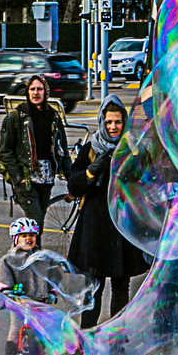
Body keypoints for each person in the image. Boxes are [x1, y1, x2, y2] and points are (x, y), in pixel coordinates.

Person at [66, 94, 150, 328]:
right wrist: (92, 172)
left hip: (122, 227)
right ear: (102, 122)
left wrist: (133, 164)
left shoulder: (134, 147)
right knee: (93, 289)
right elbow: (73, 185)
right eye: (109, 122)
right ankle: (88, 338)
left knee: (121, 287)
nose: (113, 127)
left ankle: (116, 339)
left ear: (124, 122)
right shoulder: (91, 149)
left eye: (118, 122)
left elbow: (146, 181)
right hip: (95, 228)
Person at [0, 74, 69, 244]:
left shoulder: (53, 116)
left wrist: (71, 178)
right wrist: (18, 178)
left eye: (40, 89)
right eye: (32, 89)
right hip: (26, 179)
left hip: (46, 178)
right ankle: (31, 257)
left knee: (38, 224)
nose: (36, 93)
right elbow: (5, 151)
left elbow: (62, 151)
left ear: (46, 92)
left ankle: (28, 256)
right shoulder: (16, 117)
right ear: (27, 92)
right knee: (35, 221)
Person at [0, 217, 61, 355]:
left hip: (39, 301)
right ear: (15, 239)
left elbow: (53, 278)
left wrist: (53, 292)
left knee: (41, 329)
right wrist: (5, 291)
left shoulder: (43, 258)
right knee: (16, 329)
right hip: (19, 302)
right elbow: (2, 278)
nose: (28, 238)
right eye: (23, 236)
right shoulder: (9, 259)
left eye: (32, 235)